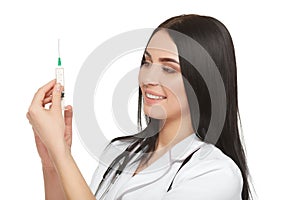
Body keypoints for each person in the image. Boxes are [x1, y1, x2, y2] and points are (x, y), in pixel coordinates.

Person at [26, 14, 252, 200]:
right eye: (147, 62)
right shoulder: (121, 153)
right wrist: (52, 164)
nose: (148, 78)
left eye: (169, 68)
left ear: (202, 82)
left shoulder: (216, 174)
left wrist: (61, 152)